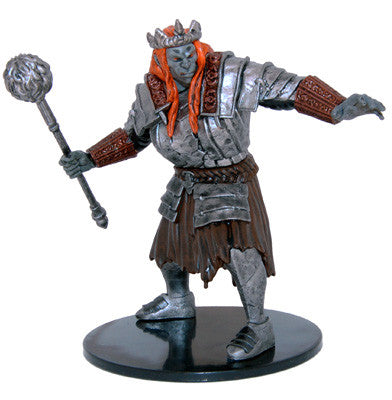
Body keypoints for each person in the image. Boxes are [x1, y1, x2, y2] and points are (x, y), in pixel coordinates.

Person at [59, 20, 385, 361]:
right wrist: (90, 158)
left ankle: (259, 326)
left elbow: (290, 87)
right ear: (162, 61)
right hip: (186, 180)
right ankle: (178, 301)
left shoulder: (232, 74)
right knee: (170, 248)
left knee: (242, 253)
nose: (186, 63)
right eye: (176, 58)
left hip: (231, 180)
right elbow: (132, 136)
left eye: (190, 54)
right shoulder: (151, 94)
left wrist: (336, 107)